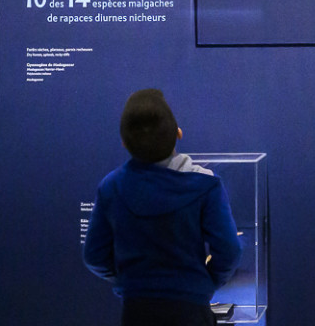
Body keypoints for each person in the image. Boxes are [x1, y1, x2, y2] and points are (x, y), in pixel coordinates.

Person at [83, 89, 243, 326]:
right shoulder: (206, 184)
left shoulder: (111, 187)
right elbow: (229, 251)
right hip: (192, 310)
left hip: (137, 310)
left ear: (124, 142)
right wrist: (205, 282)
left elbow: (94, 256)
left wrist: (129, 281)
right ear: (178, 133)